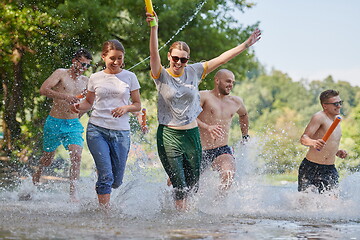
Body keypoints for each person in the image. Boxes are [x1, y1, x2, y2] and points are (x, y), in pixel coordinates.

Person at [146, 12, 260, 210]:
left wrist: (245, 45)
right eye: (176, 59)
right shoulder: (161, 74)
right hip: (169, 135)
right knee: (180, 186)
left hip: (192, 136)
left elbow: (221, 59)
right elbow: (154, 54)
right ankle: (180, 223)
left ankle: (185, 218)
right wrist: (154, 28)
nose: (179, 63)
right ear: (169, 57)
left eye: (184, 60)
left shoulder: (194, 71)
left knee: (192, 185)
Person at [71, 40, 141, 209]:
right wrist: (79, 107)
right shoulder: (95, 78)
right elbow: (88, 102)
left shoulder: (130, 77)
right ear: (103, 57)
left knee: (116, 181)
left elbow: (138, 105)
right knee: (106, 176)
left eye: (120, 58)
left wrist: (125, 108)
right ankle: (104, 214)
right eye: (112, 58)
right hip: (97, 130)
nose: (116, 62)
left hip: (121, 133)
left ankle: (103, 182)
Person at [32, 49, 92, 202]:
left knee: (77, 155)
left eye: (87, 66)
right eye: (82, 64)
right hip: (54, 122)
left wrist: (77, 114)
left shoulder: (86, 81)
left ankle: (73, 193)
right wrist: (65, 97)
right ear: (74, 61)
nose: (84, 68)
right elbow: (43, 90)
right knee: (48, 159)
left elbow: (89, 104)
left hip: (73, 124)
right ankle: (36, 177)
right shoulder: (60, 73)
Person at [197, 69, 249, 192]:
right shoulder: (203, 96)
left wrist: (245, 136)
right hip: (198, 149)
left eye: (233, 82)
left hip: (221, 149)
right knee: (183, 186)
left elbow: (244, 115)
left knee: (228, 173)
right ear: (217, 80)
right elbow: (189, 117)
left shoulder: (236, 102)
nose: (231, 85)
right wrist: (207, 127)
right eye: (228, 81)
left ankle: (217, 207)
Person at [298, 89, 347, 193]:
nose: (339, 106)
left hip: (329, 169)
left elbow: (330, 143)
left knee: (332, 204)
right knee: (305, 204)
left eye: (340, 102)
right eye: (335, 104)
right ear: (325, 106)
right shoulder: (319, 117)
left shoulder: (337, 120)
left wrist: (337, 152)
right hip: (311, 167)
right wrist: (313, 142)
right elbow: (303, 138)